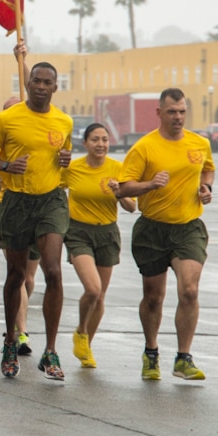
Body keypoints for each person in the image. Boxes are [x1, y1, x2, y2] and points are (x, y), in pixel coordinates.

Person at [0, 62, 73, 381]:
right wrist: (6, 164)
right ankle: (9, 341)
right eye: (36, 81)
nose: (42, 86)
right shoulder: (7, 118)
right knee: (16, 274)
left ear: (55, 87)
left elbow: (64, 155)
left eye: (48, 82)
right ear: (28, 83)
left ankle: (50, 350)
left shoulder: (64, 120)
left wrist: (65, 159)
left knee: (54, 272)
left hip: (51, 201)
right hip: (16, 202)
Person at [117, 88, 214, 381]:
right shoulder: (145, 147)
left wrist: (207, 188)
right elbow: (123, 188)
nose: (178, 117)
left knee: (189, 290)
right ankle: (151, 352)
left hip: (188, 228)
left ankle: (184, 357)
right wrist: (150, 185)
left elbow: (207, 170)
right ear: (159, 113)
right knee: (154, 298)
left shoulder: (200, 143)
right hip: (152, 229)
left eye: (182, 111)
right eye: (172, 112)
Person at [63, 123, 136, 368]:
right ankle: (81, 330)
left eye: (105, 139)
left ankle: (86, 345)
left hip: (107, 233)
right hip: (78, 232)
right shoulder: (73, 169)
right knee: (92, 289)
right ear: (85, 143)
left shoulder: (118, 169)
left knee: (101, 297)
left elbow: (131, 206)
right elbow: (53, 188)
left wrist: (119, 192)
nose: (101, 144)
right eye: (95, 139)